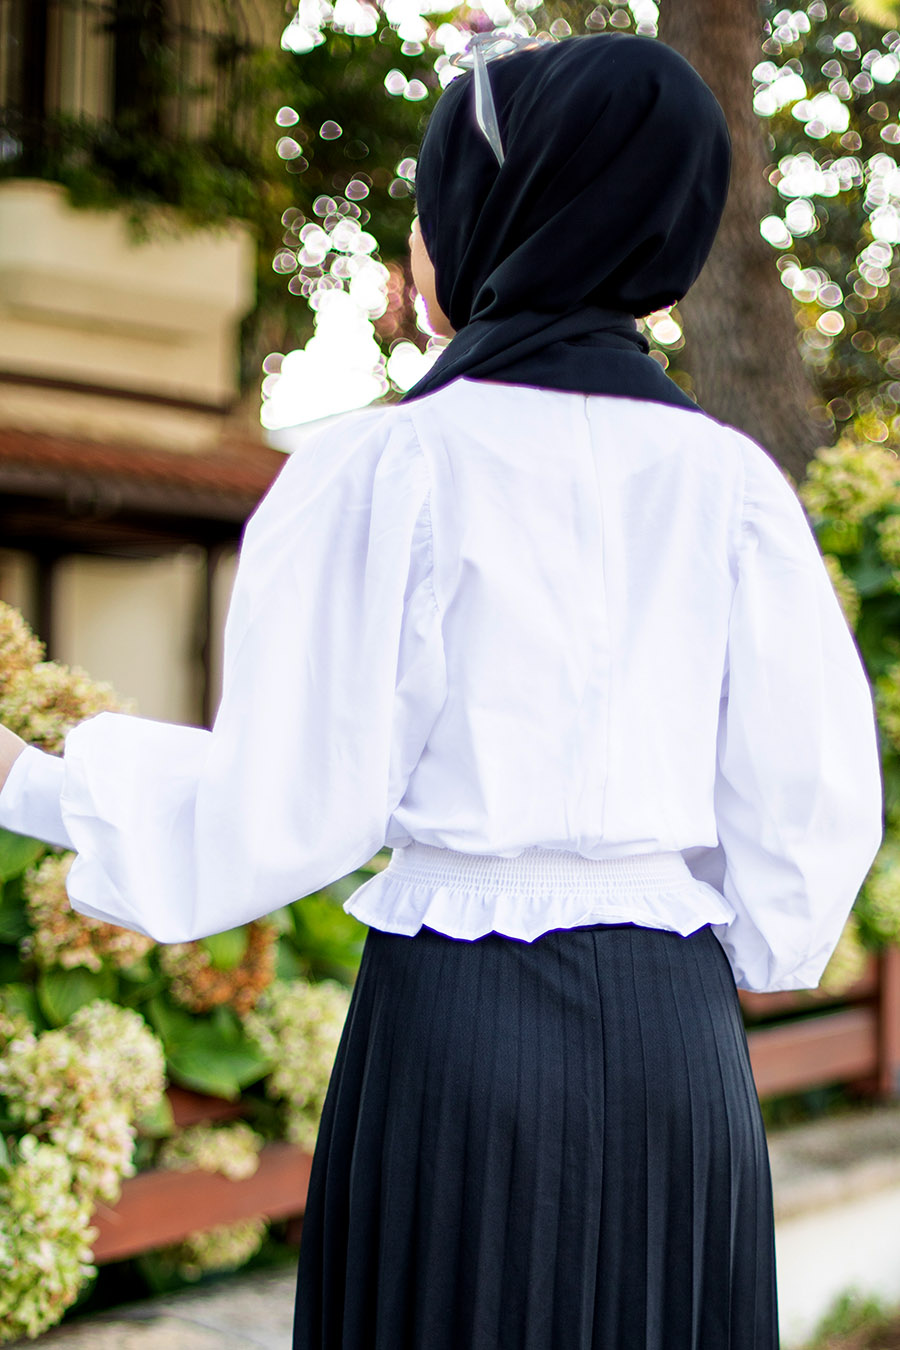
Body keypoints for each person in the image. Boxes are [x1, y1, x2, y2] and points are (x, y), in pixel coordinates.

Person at [0, 31, 883, 1350]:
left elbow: (283, 805)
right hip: (673, 1039)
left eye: (429, 205)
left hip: (459, 1030)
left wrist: (30, 782)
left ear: (497, 220)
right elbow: (808, 804)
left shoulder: (387, 471)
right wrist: (732, 943)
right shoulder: (731, 486)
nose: (416, 243)